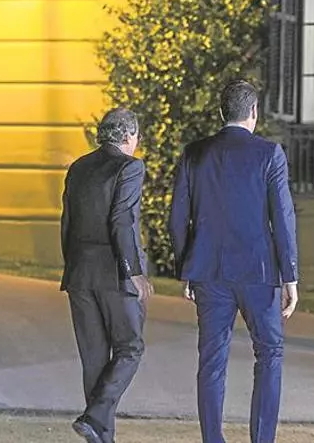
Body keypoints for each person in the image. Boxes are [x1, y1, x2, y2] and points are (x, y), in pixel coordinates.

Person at [168, 80, 299, 443]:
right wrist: (290, 276)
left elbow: (177, 218)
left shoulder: (194, 154)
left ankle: (213, 439)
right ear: (254, 111)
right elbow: (282, 218)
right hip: (259, 271)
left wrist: (186, 269)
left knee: (212, 359)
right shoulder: (269, 154)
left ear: (221, 112)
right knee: (269, 353)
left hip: (209, 271)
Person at [60, 107, 154, 443]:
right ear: (128, 135)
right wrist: (135, 272)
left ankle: (100, 433)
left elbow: (67, 222)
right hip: (114, 274)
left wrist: (72, 266)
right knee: (130, 347)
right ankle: (94, 418)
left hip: (79, 273)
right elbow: (122, 220)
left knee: (95, 359)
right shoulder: (130, 167)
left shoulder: (78, 167)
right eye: (136, 135)